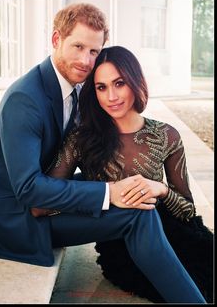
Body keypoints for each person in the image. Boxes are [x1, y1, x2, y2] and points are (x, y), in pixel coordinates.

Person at [0, 3, 154, 268]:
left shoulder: (74, 88)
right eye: (78, 47)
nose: (86, 61)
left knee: (133, 189)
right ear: (56, 39)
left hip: (44, 195)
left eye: (94, 51)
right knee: (138, 214)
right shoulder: (24, 99)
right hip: (16, 220)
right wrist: (109, 192)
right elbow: (28, 188)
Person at [44, 46, 213, 303]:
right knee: (194, 289)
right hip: (122, 245)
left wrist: (161, 189)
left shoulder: (166, 136)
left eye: (119, 83)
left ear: (135, 82)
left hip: (174, 232)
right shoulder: (82, 139)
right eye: (101, 87)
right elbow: (49, 196)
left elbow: (187, 210)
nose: (111, 96)